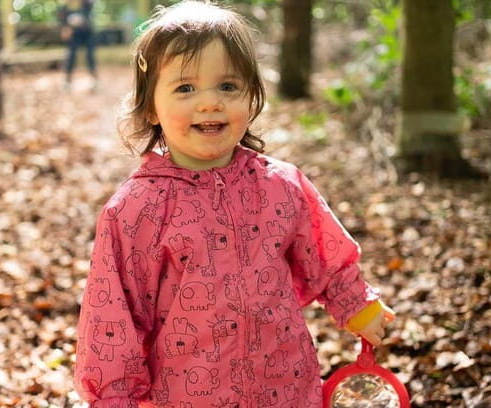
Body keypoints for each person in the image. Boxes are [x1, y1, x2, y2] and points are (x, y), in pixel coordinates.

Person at [73, 2, 395, 407]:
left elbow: (324, 254)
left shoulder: (280, 185)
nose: (210, 102)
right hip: (188, 395)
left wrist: (355, 303)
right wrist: (115, 396)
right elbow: (113, 319)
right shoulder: (138, 209)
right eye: (185, 88)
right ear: (152, 107)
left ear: (251, 97)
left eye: (227, 86)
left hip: (284, 384)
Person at [58, 0, 97, 90]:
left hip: (87, 33)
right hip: (74, 35)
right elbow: (62, 24)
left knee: (90, 56)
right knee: (71, 55)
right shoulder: (64, 8)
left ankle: (95, 81)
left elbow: (90, 15)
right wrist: (65, 29)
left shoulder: (87, 5)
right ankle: (67, 82)